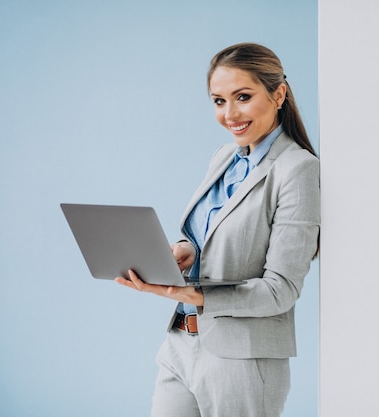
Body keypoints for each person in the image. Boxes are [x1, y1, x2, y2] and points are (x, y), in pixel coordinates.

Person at [115, 42, 320, 417]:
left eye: (243, 97)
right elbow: (212, 238)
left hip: (242, 359)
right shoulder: (224, 156)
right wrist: (186, 250)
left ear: (279, 94)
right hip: (180, 342)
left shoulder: (297, 169)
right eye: (219, 101)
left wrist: (193, 294)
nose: (230, 114)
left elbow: (281, 291)